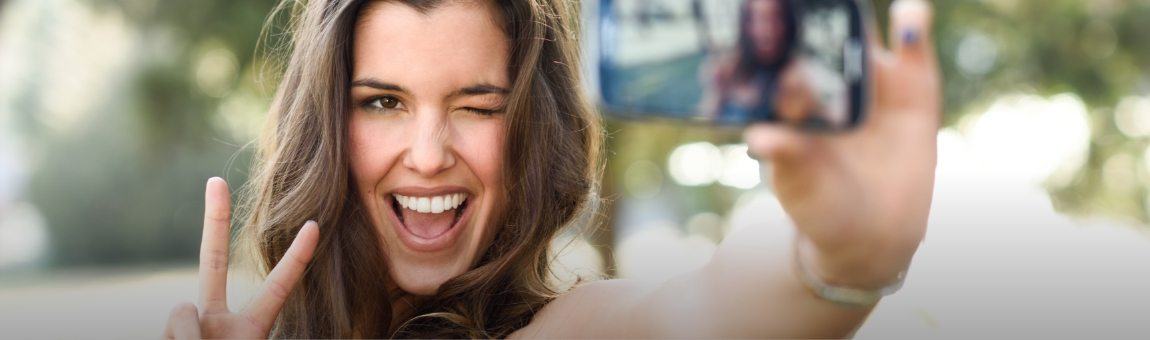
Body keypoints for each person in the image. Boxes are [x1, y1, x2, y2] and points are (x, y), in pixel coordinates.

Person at [162, 0, 940, 337]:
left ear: (530, 128)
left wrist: (845, 256)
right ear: (326, 126)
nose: (430, 154)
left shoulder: (571, 331)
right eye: (383, 103)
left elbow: (709, 314)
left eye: (478, 105)